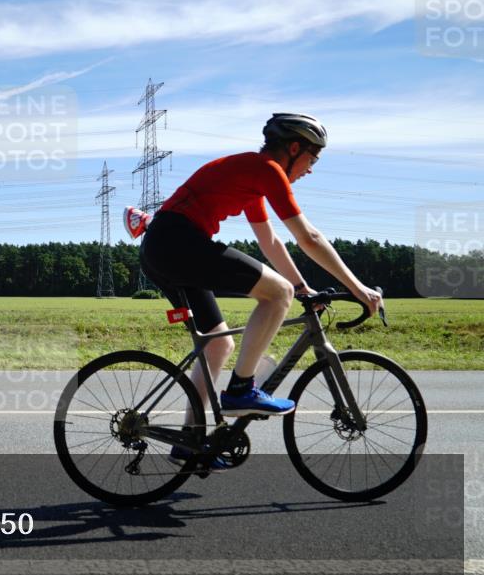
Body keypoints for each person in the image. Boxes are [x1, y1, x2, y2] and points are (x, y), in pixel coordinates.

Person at [125, 113, 382, 468]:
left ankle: (190, 442)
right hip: (177, 242)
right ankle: (241, 390)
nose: (311, 168)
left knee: (219, 344)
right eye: (313, 158)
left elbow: (270, 241)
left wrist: (301, 286)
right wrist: (358, 289)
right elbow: (308, 237)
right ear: (294, 148)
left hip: (166, 246)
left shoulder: (252, 177)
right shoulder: (267, 170)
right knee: (276, 294)